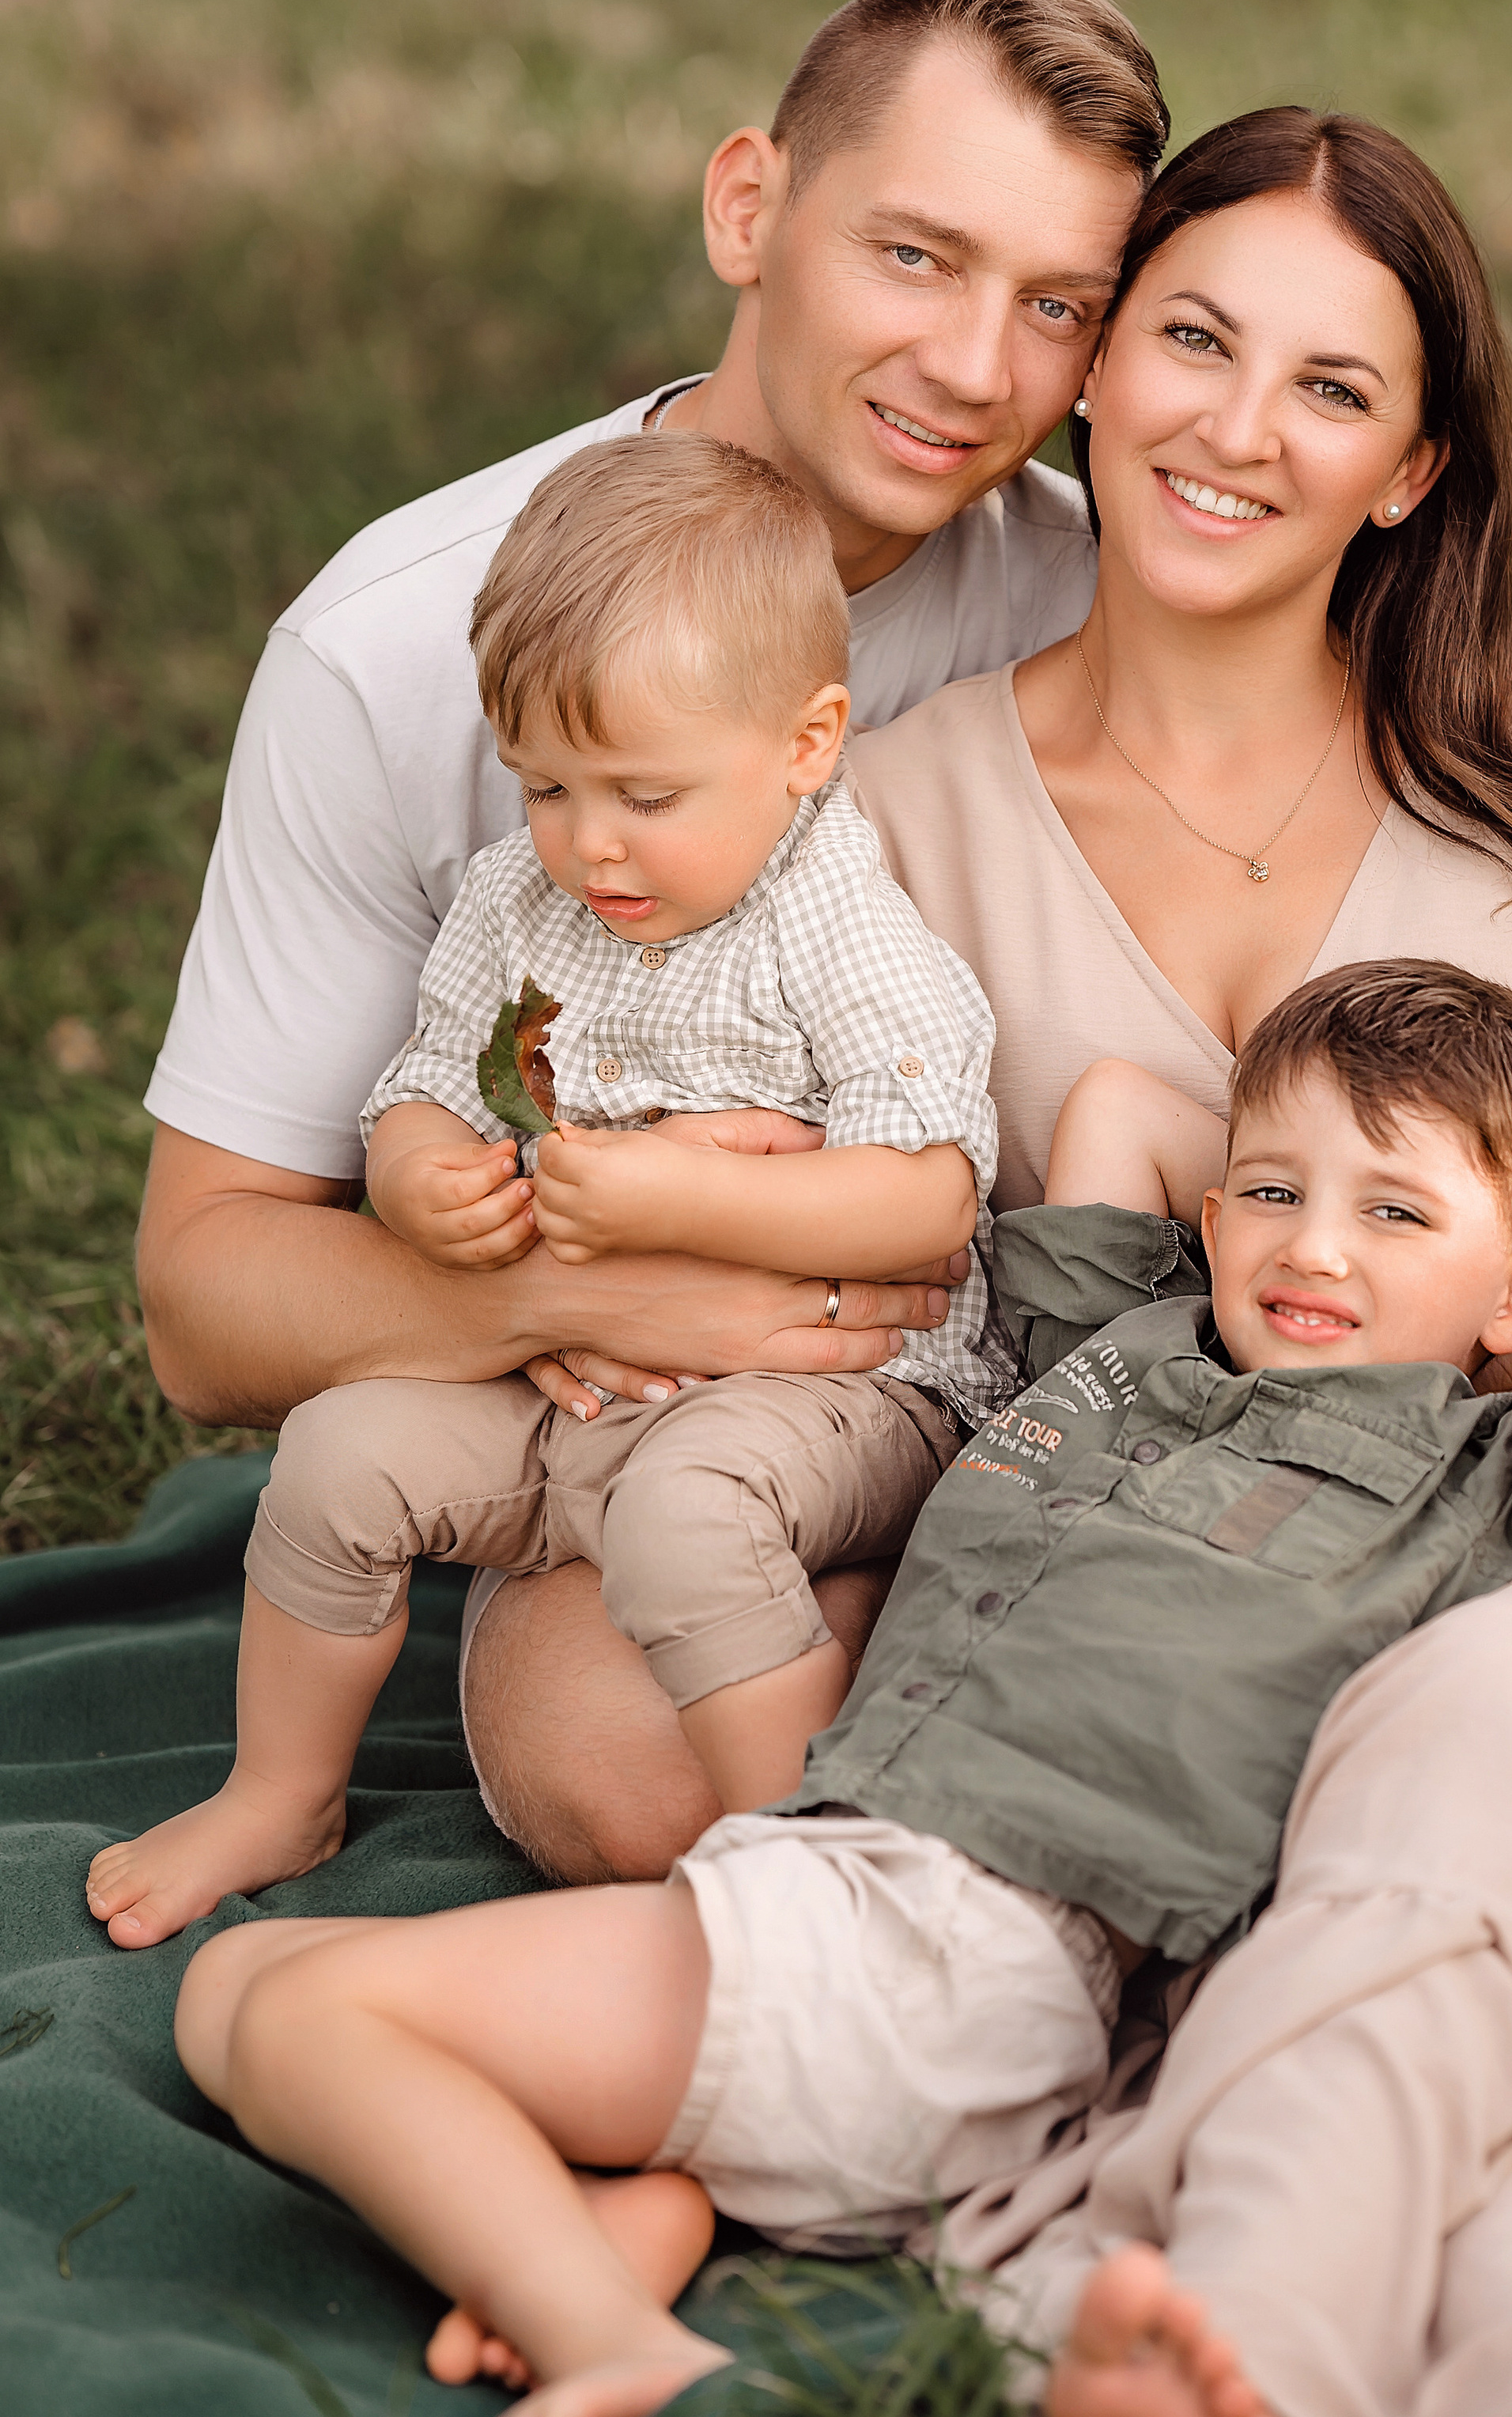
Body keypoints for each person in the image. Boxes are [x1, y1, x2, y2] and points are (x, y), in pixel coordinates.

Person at [454, 109, 1512, 2417]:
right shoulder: (887, 813)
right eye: (1187, 337)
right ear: (1090, 371)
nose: (1232, 425)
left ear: (1412, 468)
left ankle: (1237, 2341)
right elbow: (776, 1183)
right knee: (630, 1721)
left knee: (1488, 1716)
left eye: (1328, 385)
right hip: (1181, 1592)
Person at [169, 956, 1512, 2417]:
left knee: (292, 2018)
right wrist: (1296, 1164)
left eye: (1392, 1213)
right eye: (1269, 1192)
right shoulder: (1117, 1346)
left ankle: (619, 2353)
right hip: (868, 1916)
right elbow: (1119, 1100)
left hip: (961, 1938)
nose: (1313, 1246)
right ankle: (653, 2213)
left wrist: (1490, 1283)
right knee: (240, 1985)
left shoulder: (1479, 1468)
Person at [133, 0, 1161, 1559]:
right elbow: (202, 1303)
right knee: (620, 1781)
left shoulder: (1115, 600)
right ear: (746, 208)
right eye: (911, 255)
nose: (974, 369)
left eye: (1053, 306)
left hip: (1041, 1383)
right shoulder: (397, 649)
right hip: (627, 1432)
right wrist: (578, 1279)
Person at [92, 435, 1017, 1946]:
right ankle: (281, 1791)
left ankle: (823, 1868)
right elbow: (422, 1086)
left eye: (645, 792)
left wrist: (669, 1200)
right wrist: (414, 1182)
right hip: (565, 1388)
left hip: (836, 1394)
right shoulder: (524, 904)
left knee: (686, 1518)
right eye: (545, 787)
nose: (591, 843)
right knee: (335, 1455)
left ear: (809, 740)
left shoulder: (835, 918)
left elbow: (925, 1201)